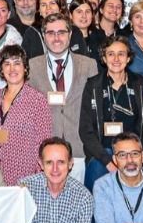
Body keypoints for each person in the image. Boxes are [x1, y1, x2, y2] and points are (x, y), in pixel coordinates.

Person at [79, 38, 143, 199]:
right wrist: (108, 161)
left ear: (128, 58)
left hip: (132, 155)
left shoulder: (140, 84)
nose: (116, 59)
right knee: (95, 205)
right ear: (104, 58)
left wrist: (142, 156)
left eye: (121, 54)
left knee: (130, 206)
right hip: (102, 155)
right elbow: (85, 130)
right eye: (111, 54)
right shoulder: (93, 85)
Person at [30, 14, 99, 181]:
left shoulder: (89, 65)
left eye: (61, 32)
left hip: (78, 149)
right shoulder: (31, 66)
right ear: (44, 35)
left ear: (70, 34)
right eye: (50, 33)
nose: (56, 38)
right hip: (45, 151)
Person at [0, 45, 53, 185]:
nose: (12, 69)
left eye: (17, 63)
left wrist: (37, 177)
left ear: (25, 68)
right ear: (1, 70)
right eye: (7, 64)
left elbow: (44, 143)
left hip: (25, 176)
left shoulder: (37, 99)